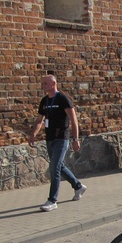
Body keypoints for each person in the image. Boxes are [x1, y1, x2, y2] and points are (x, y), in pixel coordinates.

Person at [29, 74, 87, 212]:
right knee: (59, 166)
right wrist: (33, 134)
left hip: (62, 137)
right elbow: (39, 120)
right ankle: (78, 186)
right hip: (50, 138)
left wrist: (75, 139)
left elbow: (73, 120)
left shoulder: (63, 99)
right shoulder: (44, 101)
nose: (42, 86)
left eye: (45, 83)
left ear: (53, 84)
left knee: (54, 167)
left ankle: (52, 200)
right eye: (42, 83)